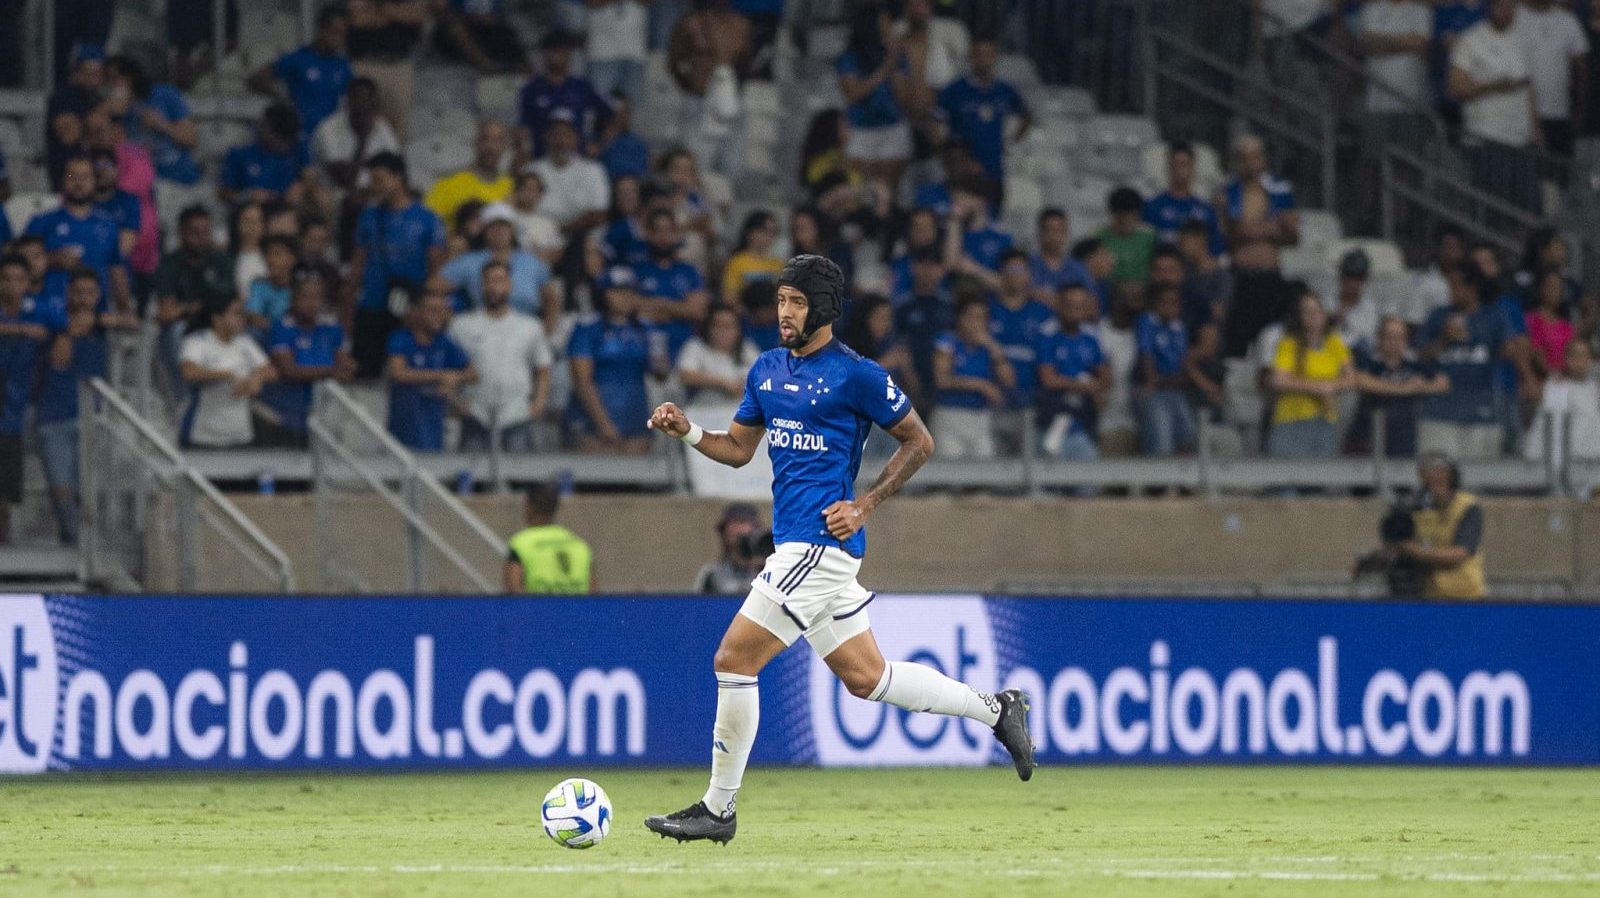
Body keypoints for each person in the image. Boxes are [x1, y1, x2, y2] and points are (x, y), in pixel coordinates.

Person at [641, 254, 1034, 843]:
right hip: (802, 549)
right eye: (780, 301)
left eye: (796, 302)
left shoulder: (859, 375)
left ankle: (718, 810)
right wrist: (689, 432)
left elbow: (919, 441)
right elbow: (739, 450)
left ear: (823, 307)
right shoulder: (768, 370)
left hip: (818, 546)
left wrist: (865, 503)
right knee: (867, 677)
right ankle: (996, 709)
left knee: (733, 660)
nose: (784, 313)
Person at [348, 152, 447, 378]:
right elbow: (357, 265)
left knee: (406, 372)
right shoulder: (368, 217)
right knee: (365, 374)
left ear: (398, 178)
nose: (375, 187)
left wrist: (427, 308)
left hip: (410, 311)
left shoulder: (427, 219)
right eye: (372, 180)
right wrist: (349, 309)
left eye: (379, 180)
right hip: (372, 306)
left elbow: (436, 270)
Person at [449, 259, 553, 452]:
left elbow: (543, 368)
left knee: (520, 476)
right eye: (489, 281)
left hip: (517, 413)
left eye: (500, 280)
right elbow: (448, 368)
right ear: (481, 285)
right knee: (471, 477)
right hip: (475, 412)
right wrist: (456, 402)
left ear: (510, 285)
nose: (494, 286)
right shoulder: (461, 325)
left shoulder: (530, 326)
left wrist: (538, 403)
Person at [1417, 267, 1519, 459]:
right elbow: (1421, 356)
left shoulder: (1493, 316)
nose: (1450, 292)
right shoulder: (1438, 316)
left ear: (1472, 289)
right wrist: (1444, 339)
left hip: (1481, 412)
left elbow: (1511, 352)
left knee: (1477, 480)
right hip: (1440, 412)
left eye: (1455, 286)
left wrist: (1491, 339)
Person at [33, 277, 106, 545]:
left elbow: (133, 323)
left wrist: (97, 322)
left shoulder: (105, 330)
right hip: (53, 417)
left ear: (98, 295)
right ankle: (79, 541)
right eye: (78, 292)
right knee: (60, 486)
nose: (84, 298)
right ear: (68, 294)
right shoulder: (53, 326)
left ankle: (76, 543)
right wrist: (66, 333)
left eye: (90, 292)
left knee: (84, 487)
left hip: (92, 419)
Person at [1449, 0, 1539, 211]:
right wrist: (1495, 86)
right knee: (1490, 208)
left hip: (1520, 139)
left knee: (1522, 207)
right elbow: (1456, 88)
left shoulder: (1521, 42)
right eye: (1503, 8)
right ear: (1491, 8)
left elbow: (1530, 88)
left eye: (1511, 8)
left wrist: (1536, 129)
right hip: (1486, 138)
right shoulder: (1470, 40)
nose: (1508, 13)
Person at [566, 274, 659, 454]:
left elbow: (658, 372)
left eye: (630, 291)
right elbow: (582, 380)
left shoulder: (646, 330)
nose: (625, 296)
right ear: (604, 294)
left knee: (634, 477)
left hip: (635, 418)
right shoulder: (587, 329)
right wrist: (603, 423)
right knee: (594, 476)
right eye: (617, 290)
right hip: (591, 422)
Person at [0, 254, 56, 545]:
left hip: (13, 413)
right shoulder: (21, 321)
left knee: (7, 488)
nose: (12, 285)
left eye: (18, 279)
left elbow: (64, 326)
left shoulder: (39, 309)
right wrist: (21, 330)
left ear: (28, 282)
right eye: (5, 279)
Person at [668, 0, 753, 178]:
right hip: (698, 101)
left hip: (730, 105)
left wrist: (729, 89)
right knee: (696, 168)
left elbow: (746, 63)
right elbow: (674, 61)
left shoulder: (741, 25)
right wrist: (691, 85)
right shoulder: (691, 24)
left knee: (732, 169)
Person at [386, 285, 476, 452]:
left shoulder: (445, 342)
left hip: (434, 431)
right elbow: (398, 373)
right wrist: (442, 376)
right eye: (432, 310)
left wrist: (454, 379)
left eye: (443, 310)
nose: (439, 316)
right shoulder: (402, 338)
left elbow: (472, 374)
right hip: (403, 430)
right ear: (417, 311)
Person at [1267, 289, 1356, 459]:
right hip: (1291, 421)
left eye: (1316, 311)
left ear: (1324, 314)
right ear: (1299, 316)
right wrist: (1317, 388)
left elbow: (1351, 378)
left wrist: (1329, 387)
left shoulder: (1334, 342)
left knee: (1320, 479)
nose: (1313, 316)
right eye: (1307, 311)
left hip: (1325, 420)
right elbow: (1278, 379)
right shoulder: (1289, 343)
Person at [440, 203, 558, 329]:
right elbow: (434, 288)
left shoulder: (532, 262)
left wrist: (545, 332)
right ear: (484, 231)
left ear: (512, 230)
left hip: (526, 328)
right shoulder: (468, 261)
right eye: (493, 227)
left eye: (504, 226)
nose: (499, 231)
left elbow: (551, 300)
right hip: (484, 327)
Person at [613, 208, 711, 359]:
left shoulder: (689, 271)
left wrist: (656, 304)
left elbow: (697, 311)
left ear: (676, 234)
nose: (663, 237)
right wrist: (679, 308)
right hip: (643, 349)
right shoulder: (635, 270)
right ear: (648, 234)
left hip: (683, 349)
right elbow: (628, 305)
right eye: (657, 231)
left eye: (668, 231)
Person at [179, 296, 276, 449]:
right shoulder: (198, 341)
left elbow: (270, 371)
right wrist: (228, 375)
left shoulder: (245, 343)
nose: (241, 319)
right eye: (236, 314)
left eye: (242, 315)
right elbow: (189, 372)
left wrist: (256, 378)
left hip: (241, 434)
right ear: (217, 318)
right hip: (206, 436)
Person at [836, 2, 913, 190]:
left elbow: (903, 98)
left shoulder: (896, 57)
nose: (889, 27)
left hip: (892, 126)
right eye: (885, 23)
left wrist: (893, 60)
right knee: (860, 189)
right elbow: (853, 94)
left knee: (887, 190)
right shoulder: (850, 58)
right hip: (861, 128)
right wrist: (883, 71)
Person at [1350, 316, 1450, 457]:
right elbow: (1360, 380)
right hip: (1370, 435)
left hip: (1405, 437)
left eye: (1399, 337)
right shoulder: (1369, 361)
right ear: (1380, 338)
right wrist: (1404, 389)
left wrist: (1422, 386)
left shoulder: (1414, 364)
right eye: (1390, 337)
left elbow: (1443, 383)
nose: (1394, 342)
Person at [987, 249, 1055, 456]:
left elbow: (1049, 358)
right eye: (1009, 269)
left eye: (1020, 269)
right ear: (1000, 273)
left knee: (1029, 465)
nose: (1014, 274)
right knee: (994, 467)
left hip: (1030, 402)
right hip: (993, 402)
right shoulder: (986, 311)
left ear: (1029, 274)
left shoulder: (1042, 313)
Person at [935, 40, 1031, 184]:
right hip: (962, 169)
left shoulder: (1004, 90)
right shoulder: (955, 90)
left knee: (992, 204)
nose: (984, 60)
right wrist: (946, 152)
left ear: (995, 58)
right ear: (971, 57)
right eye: (979, 54)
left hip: (993, 167)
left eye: (988, 55)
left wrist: (1011, 142)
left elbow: (1026, 116)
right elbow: (935, 122)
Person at [250, 4, 353, 137]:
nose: (338, 39)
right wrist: (281, 98)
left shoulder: (343, 66)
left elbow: (351, 96)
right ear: (321, 29)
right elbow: (256, 78)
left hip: (329, 136)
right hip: (301, 133)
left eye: (342, 34)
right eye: (335, 32)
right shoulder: (299, 58)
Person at [931, 294, 1014, 460]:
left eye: (981, 318)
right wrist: (980, 385)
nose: (975, 323)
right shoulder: (947, 342)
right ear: (959, 318)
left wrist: (993, 347)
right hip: (951, 415)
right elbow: (942, 379)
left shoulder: (988, 347)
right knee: (951, 475)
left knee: (983, 474)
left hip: (981, 417)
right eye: (971, 317)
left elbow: (1009, 381)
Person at [1036, 285, 1111, 461]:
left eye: (1079, 305)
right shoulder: (1047, 333)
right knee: (1054, 476)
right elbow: (1048, 379)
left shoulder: (1092, 335)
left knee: (1088, 477)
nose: (1074, 310)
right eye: (1069, 304)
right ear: (1059, 305)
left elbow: (1105, 376)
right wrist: (1085, 385)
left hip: (1085, 417)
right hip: (1054, 418)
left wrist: (1096, 388)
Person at [1403, 453, 1487, 598]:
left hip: (1465, 594)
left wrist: (1418, 552)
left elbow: (1461, 553)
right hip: (1431, 595)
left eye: (1441, 480)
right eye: (1430, 482)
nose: (1435, 488)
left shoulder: (1468, 507)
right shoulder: (1419, 510)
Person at [518, 31, 611, 159]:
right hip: (542, 159)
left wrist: (597, 143)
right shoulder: (532, 89)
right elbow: (523, 127)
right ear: (544, 54)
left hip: (578, 159)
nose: (556, 55)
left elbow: (608, 117)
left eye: (561, 50)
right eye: (552, 50)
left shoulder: (582, 87)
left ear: (569, 54)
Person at [346, 0, 430, 139]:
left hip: (398, 64)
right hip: (366, 63)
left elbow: (417, 16)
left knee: (398, 123)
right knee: (362, 119)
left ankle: (393, 158)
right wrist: (394, 13)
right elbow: (357, 19)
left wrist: (379, 9)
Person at [1519, 0, 1589, 158]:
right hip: (1520, 115)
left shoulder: (1568, 20)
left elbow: (1581, 70)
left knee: (1560, 174)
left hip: (1559, 114)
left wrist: (1579, 107)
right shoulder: (1514, 17)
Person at [1136, 284, 1199, 456]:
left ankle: (1182, 483)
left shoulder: (1179, 327)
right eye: (1165, 302)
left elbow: (1183, 360)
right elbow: (1146, 354)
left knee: (1189, 436)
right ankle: (1159, 483)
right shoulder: (1147, 321)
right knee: (1162, 441)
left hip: (1174, 388)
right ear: (1155, 304)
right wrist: (1150, 382)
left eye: (1174, 303)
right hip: (1154, 390)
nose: (1170, 307)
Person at [311, 76, 400, 194]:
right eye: (359, 100)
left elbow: (398, 170)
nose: (364, 105)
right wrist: (363, 139)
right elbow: (343, 181)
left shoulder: (382, 127)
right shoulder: (328, 129)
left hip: (373, 195)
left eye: (369, 101)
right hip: (334, 196)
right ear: (348, 101)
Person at [504, 482, 595, 594]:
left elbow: (513, 591)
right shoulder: (580, 546)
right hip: (577, 610)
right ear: (555, 507)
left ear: (529, 506)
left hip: (539, 610)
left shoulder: (521, 544)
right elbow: (594, 595)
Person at [529, 114, 612, 236]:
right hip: (540, 238)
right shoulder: (531, 171)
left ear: (575, 138)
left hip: (584, 238)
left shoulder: (593, 170)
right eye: (555, 135)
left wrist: (562, 231)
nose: (560, 141)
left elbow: (599, 214)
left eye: (566, 135)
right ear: (546, 138)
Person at [1524, 340, 1600, 467]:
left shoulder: (1594, 390)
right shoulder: (1556, 389)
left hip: (1593, 462)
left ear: (1590, 361)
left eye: (1584, 356)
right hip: (1567, 463)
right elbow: (1554, 434)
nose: (1580, 361)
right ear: (1567, 359)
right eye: (1575, 356)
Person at [220, 104, 311, 207]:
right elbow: (224, 193)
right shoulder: (240, 154)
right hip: (254, 210)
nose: (286, 146)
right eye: (282, 141)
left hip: (287, 210)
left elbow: (310, 175)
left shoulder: (297, 147)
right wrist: (247, 196)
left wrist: (303, 187)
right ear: (268, 132)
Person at [1144, 142, 1226, 256]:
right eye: (1175, 165)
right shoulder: (1151, 207)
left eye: (1184, 164)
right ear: (1169, 168)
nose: (1180, 171)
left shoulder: (1206, 210)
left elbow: (1216, 248)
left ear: (1192, 168)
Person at [425, 119, 512, 227]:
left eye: (498, 141)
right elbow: (427, 224)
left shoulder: (511, 188)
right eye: (485, 139)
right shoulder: (449, 183)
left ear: (505, 147)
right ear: (475, 143)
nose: (491, 147)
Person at [678, 304, 760, 404]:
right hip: (703, 409)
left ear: (737, 330)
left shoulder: (747, 348)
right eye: (718, 325)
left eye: (728, 326)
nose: (723, 331)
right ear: (708, 327)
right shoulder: (696, 346)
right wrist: (724, 383)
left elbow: (764, 375)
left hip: (741, 410)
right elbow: (685, 375)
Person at [693, 503, 771, 594]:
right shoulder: (711, 575)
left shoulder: (768, 572)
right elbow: (699, 605)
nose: (739, 529)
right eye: (734, 523)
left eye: (744, 522)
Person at [434, 0, 527, 74]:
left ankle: (523, 71)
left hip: (493, 28)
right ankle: (486, 65)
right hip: (463, 26)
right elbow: (444, 12)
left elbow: (503, 12)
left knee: (510, 33)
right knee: (455, 27)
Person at [586, 0, 650, 104]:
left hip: (634, 53)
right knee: (600, 109)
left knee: (634, 112)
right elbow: (591, 3)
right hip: (601, 54)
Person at [1029, 208, 1092, 305]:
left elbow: (1090, 300)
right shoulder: (1028, 265)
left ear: (1066, 233)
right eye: (1049, 230)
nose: (1054, 236)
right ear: (1040, 233)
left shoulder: (1078, 268)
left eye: (1059, 230)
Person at [721, 211, 784, 306]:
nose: (769, 236)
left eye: (773, 232)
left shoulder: (778, 264)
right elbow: (729, 297)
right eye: (764, 231)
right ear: (750, 232)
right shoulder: (736, 262)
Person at [1098, 187, 1157, 287]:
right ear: (1112, 215)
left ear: (1138, 215)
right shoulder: (1100, 238)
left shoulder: (1150, 237)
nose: (1126, 224)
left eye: (1131, 219)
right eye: (1121, 220)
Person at [505, 170, 564, 263]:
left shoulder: (548, 220)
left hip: (542, 268)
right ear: (517, 191)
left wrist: (538, 256)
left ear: (540, 194)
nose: (529, 194)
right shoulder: (508, 216)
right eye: (526, 188)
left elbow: (558, 252)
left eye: (534, 190)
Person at [245, 235, 298, 335]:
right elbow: (253, 316)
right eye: (268, 255)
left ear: (292, 258)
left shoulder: (299, 289)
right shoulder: (259, 285)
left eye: (277, 254)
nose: (271, 260)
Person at [1331, 248, 1380, 357]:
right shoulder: (1327, 302)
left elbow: (1369, 344)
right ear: (1342, 277)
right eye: (1350, 277)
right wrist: (1332, 319)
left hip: (1360, 358)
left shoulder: (1370, 308)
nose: (1353, 283)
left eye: (1359, 278)